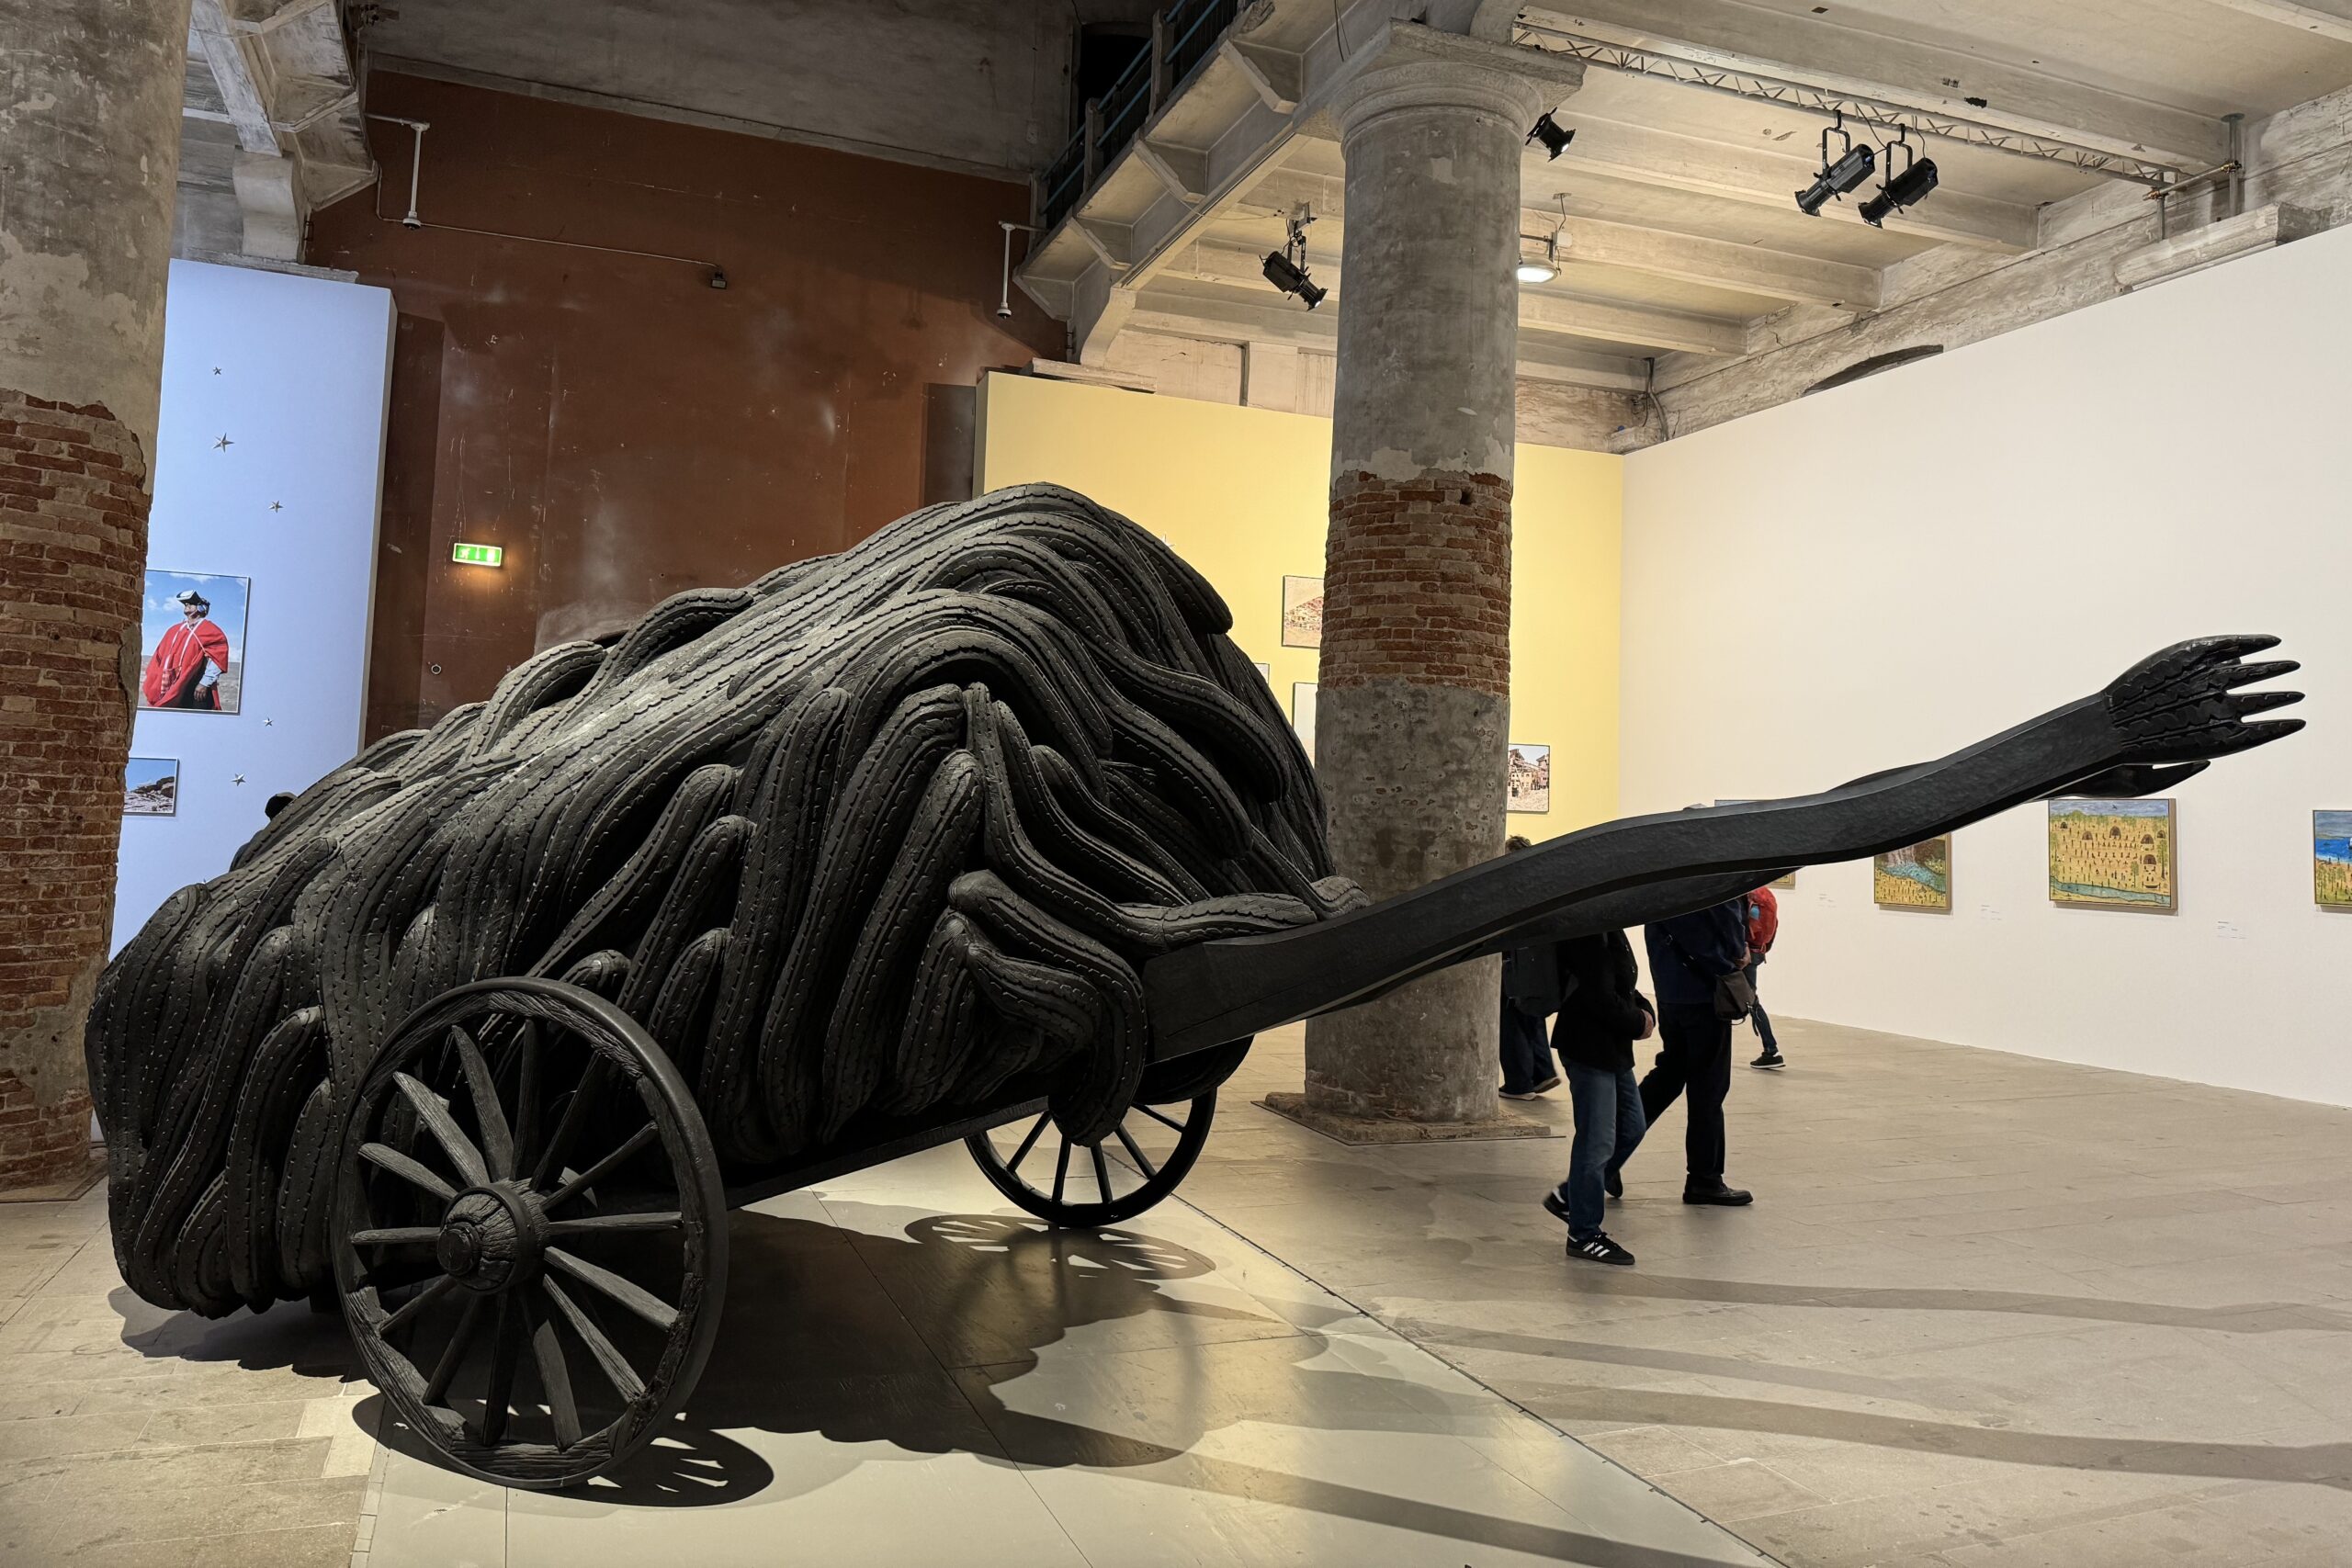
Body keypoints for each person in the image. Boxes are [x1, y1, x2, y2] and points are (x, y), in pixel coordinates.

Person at [1541, 928, 1654, 1265]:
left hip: (1612, 1047)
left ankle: (1569, 1196)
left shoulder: (1608, 925)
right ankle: (1584, 1233)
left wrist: (1645, 1009)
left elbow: (1622, 983)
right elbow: (1599, 997)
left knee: (1632, 1127)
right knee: (1597, 1142)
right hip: (1588, 1046)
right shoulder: (1586, 933)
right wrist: (1638, 1022)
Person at [1636, 896, 1755, 1206]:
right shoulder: (1709, 876)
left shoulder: (1661, 881)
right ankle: (1705, 1179)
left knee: (1669, 1076)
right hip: (1704, 992)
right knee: (1709, 1088)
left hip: (1670, 989)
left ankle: (1607, 1155)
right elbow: (1726, 911)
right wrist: (1736, 952)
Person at [1497, 836, 1563, 1100]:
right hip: (1534, 964)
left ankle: (1519, 1083)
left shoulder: (1508, 890)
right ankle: (1542, 1073)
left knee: (1510, 1023)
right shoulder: (1538, 886)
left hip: (1513, 965)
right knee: (1531, 1018)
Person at [141, 589, 230, 710]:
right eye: (185, 603)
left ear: (202, 608)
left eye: (192, 603)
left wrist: (204, 683)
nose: (187, 604)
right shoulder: (174, 630)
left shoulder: (210, 630)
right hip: (170, 684)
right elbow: (159, 656)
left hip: (194, 685)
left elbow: (216, 659)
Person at [1745, 883, 1784, 1069]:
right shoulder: (1765, 894)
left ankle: (1771, 1049)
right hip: (1757, 951)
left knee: (1749, 1002)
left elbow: (1736, 924)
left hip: (1743, 955)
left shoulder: (1746, 895)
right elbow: (1775, 924)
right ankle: (1770, 1050)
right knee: (1749, 1000)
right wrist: (1762, 950)